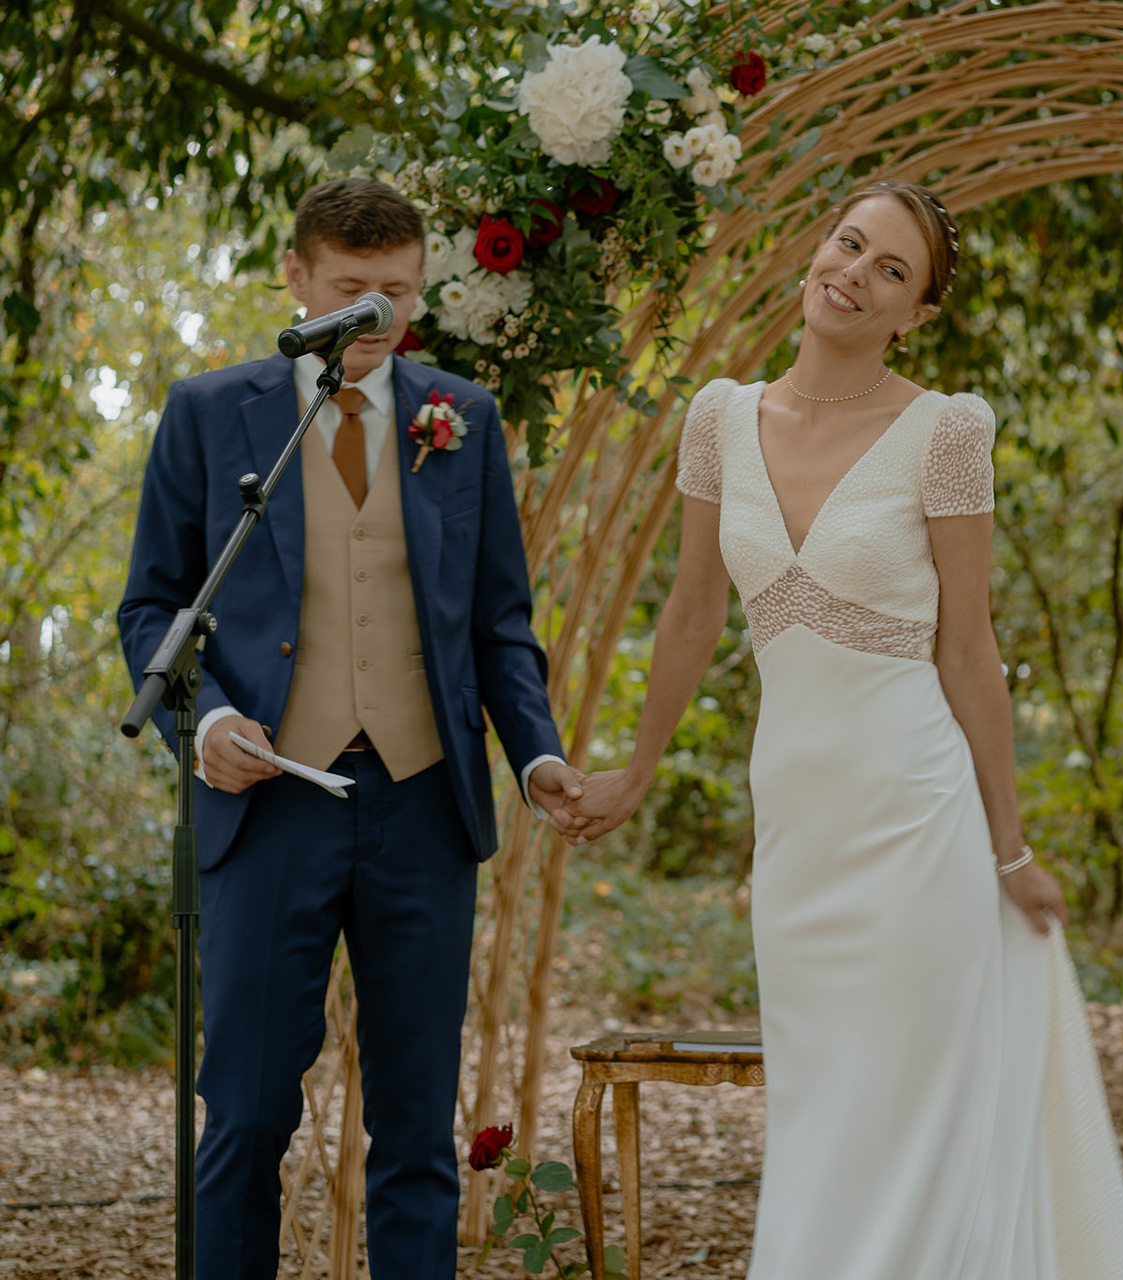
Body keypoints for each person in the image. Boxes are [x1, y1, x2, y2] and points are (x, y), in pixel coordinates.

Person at [557, 179, 1123, 1278]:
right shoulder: (719, 418)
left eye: (891, 270)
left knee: (910, 1116)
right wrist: (634, 773)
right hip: (797, 834)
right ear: (815, 250)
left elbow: (968, 649)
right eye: (849, 243)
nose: (855, 275)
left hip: (916, 818)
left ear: (914, 314)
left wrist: (1009, 848)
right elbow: (691, 612)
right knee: (825, 1113)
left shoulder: (945, 431)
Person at [118, 176, 588, 1279]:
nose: (376, 318)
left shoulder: (463, 418)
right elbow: (152, 607)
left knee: (417, 1127)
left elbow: (499, 623)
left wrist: (537, 754)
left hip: (425, 806)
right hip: (269, 804)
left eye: (397, 295)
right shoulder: (209, 412)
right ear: (296, 277)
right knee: (244, 1114)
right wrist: (208, 720)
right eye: (350, 292)